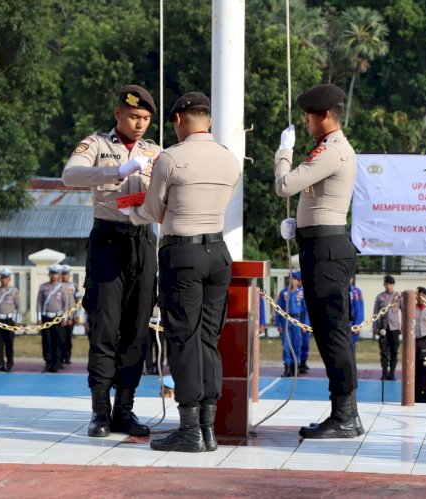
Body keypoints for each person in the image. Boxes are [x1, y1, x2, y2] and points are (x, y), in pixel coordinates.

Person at [125, 91, 241, 453]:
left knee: (184, 338)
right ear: (208, 119)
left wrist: (131, 209)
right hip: (218, 253)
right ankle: (207, 428)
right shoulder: (230, 159)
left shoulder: (171, 157)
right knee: (208, 339)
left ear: (178, 120)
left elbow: (152, 208)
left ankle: (189, 428)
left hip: (183, 253)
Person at [62, 84, 161, 439]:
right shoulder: (97, 145)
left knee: (136, 330)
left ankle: (125, 409)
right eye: (134, 116)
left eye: (146, 119)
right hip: (108, 240)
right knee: (105, 328)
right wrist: (116, 172)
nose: (139, 125)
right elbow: (70, 176)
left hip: (143, 242)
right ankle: (100, 411)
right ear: (118, 113)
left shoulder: (155, 151)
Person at [274, 83, 362, 439]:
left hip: (326, 250)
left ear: (324, 115)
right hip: (319, 244)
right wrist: (301, 224)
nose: (306, 122)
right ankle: (343, 412)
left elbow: (285, 184)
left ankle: (345, 415)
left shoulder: (332, 150)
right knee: (328, 334)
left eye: (309, 116)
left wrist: (284, 151)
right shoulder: (328, 148)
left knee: (333, 334)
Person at [36, 264, 74, 373]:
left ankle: (56, 365)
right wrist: (39, 319)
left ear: (59, 275)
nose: (54, 276)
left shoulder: (63, 287)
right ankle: (48, 363)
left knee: (58, 341)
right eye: (52, 273)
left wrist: (65, 319)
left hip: (58, 318)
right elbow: (39, 303)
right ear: (49, 274)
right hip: (46, 317)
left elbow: (66, 304)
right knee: (47, 341)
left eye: (56, 274)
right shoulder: (43, 287)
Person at [0, 268, 21, 373]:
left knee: (9, 343)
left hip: (9, 320)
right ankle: (0, 364)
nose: (3, 280)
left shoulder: (14, 291)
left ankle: (9, 364)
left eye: (5, 278)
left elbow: (18, 306)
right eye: (2, 278)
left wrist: (17, 321)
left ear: (9, 279)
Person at [275, 271, 307, 378]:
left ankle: (296, 367)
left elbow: (306, 310)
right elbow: (278, 309)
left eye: (294, 279)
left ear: (298, 281)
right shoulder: (283, 293)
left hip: (297, 320)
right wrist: (278, 324)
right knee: (286, 345)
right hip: (286, 320)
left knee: (297, 344)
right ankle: (287, 368)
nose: (292, 281)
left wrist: (304, 324)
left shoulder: (301, 293)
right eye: (290, 279)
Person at [373, 275, 402, 381]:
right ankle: (384, 373)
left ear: (393, 285)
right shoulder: (380, 297)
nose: (388, 286)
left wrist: (403, 327)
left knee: (394, 351)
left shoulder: (398, 297)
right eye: (386, 284)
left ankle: (392, 373)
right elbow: (375, 313)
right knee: (384, 351)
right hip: (383, 328)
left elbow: (405, 312)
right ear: (384, 284)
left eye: (390, 284)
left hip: (394, 328)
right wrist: (375, 327)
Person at [60, 265, 79, 365]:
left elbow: (78, 301)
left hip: (71, 317)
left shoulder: (74, 286)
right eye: (63, 274)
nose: (64, 276)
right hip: (60, 317)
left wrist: (77, 315)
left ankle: (67, 356)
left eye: (66, 274)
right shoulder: (58, 286)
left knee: (68, 337)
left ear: (69, 275)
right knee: (60, 337)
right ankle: (60, 356)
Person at [348, 276, 364, 346]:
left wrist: (358, 325)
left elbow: (359, 310)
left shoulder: (356, 291)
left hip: (352, 322)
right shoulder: (338, 290)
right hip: (340, 323)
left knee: (351, 346)